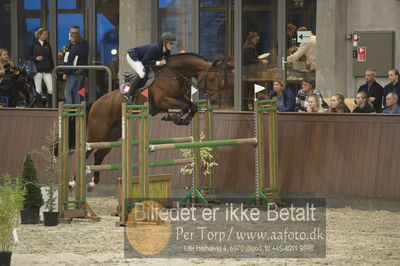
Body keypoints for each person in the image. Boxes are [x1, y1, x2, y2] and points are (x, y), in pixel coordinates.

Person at [125, 32, 176, 104]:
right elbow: (145, 61)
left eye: (173, 43)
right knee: (142, 73)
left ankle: (133, 78)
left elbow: (167, 61)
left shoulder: (167, 51)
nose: (172, 46)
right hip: (133, 56)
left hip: (143, 59)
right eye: (170, 44)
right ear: (164, 43)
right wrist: (159, 63)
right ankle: (129, 95)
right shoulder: (155, 48)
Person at [26, 28, 54, 107]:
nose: (46, 36)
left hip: (47, 70)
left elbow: (51, 58)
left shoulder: (47, 44)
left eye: (47, 34)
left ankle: (50, 107)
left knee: (51, 89)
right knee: (38, 89)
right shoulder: (33, 44)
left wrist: (53, 70)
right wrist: (35, 58)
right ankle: (39, 107)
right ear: (39, 35)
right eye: (44, 34)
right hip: (37, 70)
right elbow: (27, 56)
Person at [63, 32, 88, 104]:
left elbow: (70, 61)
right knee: (76, 91)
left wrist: (65, 73)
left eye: (70, 37)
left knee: (67, 91)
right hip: (80, 72)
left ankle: (69, 109)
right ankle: (77, 108)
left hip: (73, 72)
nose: (69, 39)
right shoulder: (81, 47)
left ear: (73, 38)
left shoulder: (74, 48)